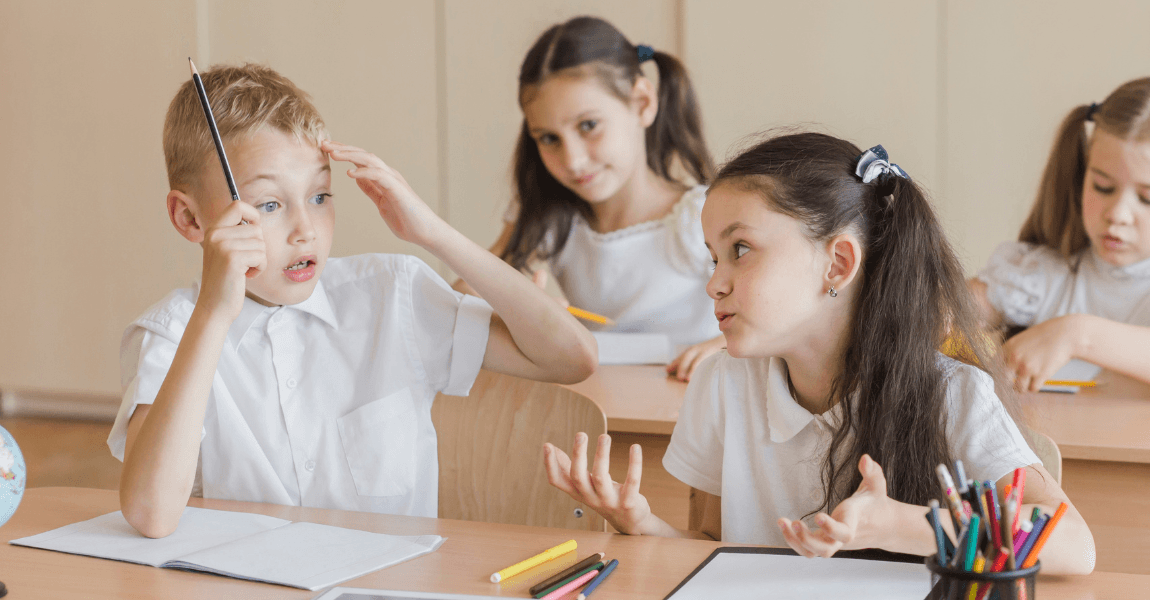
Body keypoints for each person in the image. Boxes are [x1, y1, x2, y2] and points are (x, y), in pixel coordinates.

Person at [543, 132, 1095, 574]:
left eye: (740, 250)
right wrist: (644, 527)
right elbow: (712, 548)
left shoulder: (950, 393)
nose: (714, 284)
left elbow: (1073, 544)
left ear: (837, 265)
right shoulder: (720, 383)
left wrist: (898, 525)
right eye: (712, 258)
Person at [109, 64, 596, 538]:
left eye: (320, 196)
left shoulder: (392, 294)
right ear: (190, 219)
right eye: (269, 205)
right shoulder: (171, 335)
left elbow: (572, 358)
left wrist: (433, 234)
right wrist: (214, 315)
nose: (305, 231)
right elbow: (152, 515)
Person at [454, 16, 721, 381]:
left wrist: (725, 346)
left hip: (690, 416)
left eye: (588, 126)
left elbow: (780, 321)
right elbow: (465, 294)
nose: (573, 160)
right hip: (599, 418)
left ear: (642, 103)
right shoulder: (551, 217)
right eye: (549, 138)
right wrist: (528, 311)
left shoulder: (705, 215)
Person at [972, 78, 1150, 390]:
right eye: (1102, 187)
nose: (1117, 215)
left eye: (1147, 198)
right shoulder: (1040, 276)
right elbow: (948, 309)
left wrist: (1076, 334)